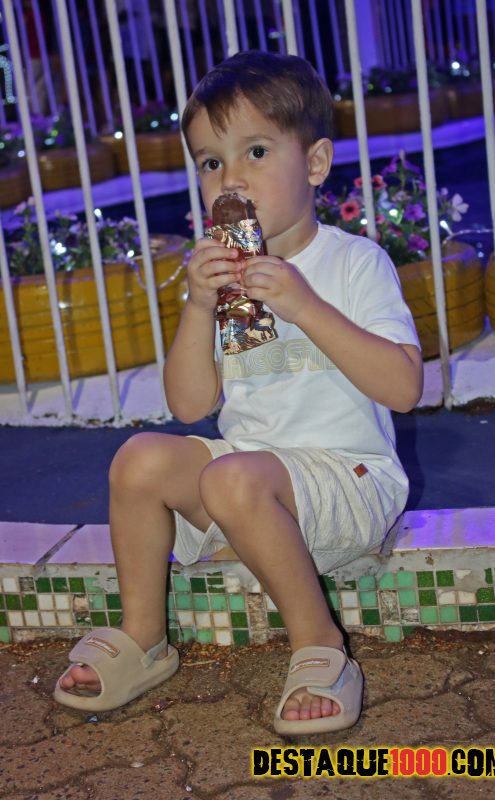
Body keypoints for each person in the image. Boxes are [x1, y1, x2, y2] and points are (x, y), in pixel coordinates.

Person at [54, 50, 423, 735]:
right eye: (209, 162)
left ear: (315, 163)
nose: (231, 178)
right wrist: (198, 307)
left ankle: (320, 644)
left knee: (234, 478)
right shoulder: (222, 280)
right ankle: (143, 637)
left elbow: (402, 388)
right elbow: (190, 406)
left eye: (255, 151)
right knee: (138, 460)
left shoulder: (352, 262)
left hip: (350, 482)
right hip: (247, 482)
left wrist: (305, 306)